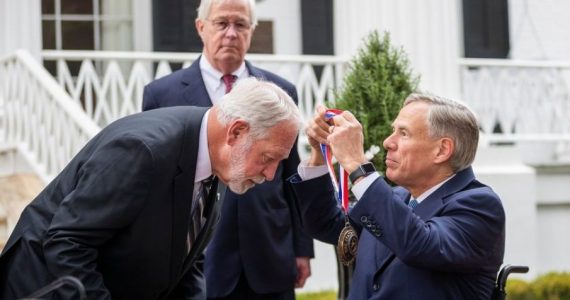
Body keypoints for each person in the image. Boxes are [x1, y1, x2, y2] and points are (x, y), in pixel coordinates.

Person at [0, 78, 302, 300]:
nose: (271, 173)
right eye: (267, 157)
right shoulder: (143, 151)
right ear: (236, 132)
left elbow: (186, 260)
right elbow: (67, 242)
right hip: (42, 287)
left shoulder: (220, 162)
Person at [142, 0, 313, 299]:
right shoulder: (162, 95)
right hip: (197, 262)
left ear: (251, 30)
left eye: (240, 24)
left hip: (270, 253)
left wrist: (302, 247)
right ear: (201, 27)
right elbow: (155, 188)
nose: (231, 33)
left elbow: (290, 174)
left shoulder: (281, 91)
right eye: (222, 24)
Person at [290, 93, 506, 299]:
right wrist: (319, 156)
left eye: (403, 133)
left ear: (442, 150)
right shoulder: (399, 196)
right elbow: (327, 223)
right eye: (394, 131)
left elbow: (419, 244)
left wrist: (358, 166)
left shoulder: (480, 205)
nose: (387, 142)